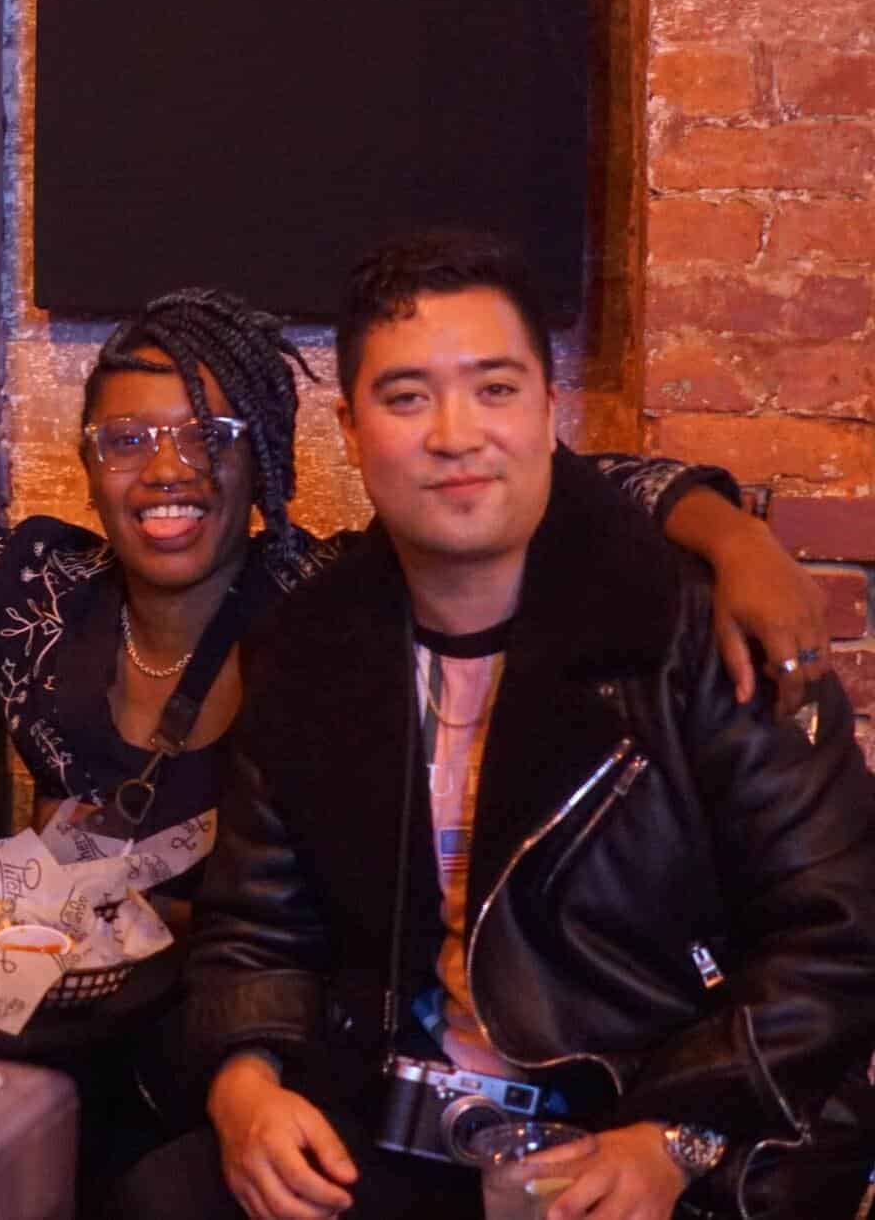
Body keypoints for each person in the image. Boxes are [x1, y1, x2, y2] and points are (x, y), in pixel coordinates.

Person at [0, 286, 825, 909]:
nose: (166, 470)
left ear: (264, 463)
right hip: (69, 1019)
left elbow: (554, 483)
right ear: (90, 462)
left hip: (269, 1026)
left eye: (206, 437)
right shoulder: (27, 592)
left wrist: (732, 535)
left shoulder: (327, 597)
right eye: (128, 438)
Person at [151, 233, 875, 1220]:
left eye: (494, 389)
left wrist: (676, 1140)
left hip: (651, 1121)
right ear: (350, 429)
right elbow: (254, 927)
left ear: (547, 408)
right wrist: (244, 1085)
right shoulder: (307, 647)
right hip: (400, 1124)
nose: (455, 435)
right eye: (407, 397)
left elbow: (838, 935)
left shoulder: (697, 634)